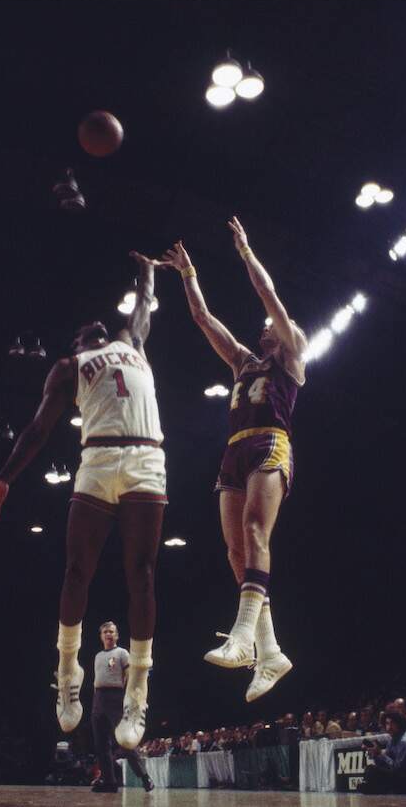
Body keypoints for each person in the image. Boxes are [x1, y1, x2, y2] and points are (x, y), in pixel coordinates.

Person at [0, 254, 165, 751]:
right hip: (97, 460)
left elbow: (143, 310)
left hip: (145, 458)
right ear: (77, 343)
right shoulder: (68, 367)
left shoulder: (132, 342)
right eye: (83, 332)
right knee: (78, 571)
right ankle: (67, 667)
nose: (91, 328)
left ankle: (138, 688)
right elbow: (37, 429)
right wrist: (4, 480)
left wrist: (147, 272)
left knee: (141, 573)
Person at [153, 217, 306, 703]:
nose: (264, 326)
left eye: (272, 326)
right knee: (234, 552)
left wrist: (244, 250)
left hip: (269, 442)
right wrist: (189, 275)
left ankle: (243, 636)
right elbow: (203, 320)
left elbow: (269, 297)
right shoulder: (243, 362)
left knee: (257, 535)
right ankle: (270, 649)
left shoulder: (292, 357)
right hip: (234, 449)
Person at [89, 622, 153, 793]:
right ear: (101, 636)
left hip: (115, 697)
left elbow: (130, 676)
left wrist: (128, 698)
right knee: (101, 744)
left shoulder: (122, 653)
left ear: (116, 635)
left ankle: (145, 777)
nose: (108, 634)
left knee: (125, 741)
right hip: (98, 699)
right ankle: (109, 782)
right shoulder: (97, 656)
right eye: (105, 632)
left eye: (111, 631)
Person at [359, 711, 406, 794]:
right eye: (387, 724)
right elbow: (383, 764)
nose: (388, 727)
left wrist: (380, 754)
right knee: (371, 769)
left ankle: (369, 788)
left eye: (392, 724)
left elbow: (398, 769)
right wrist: (375, 754)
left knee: (373, 771)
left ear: (400, 724)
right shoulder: (392, 740)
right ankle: (369, 787)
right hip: (400, 775)